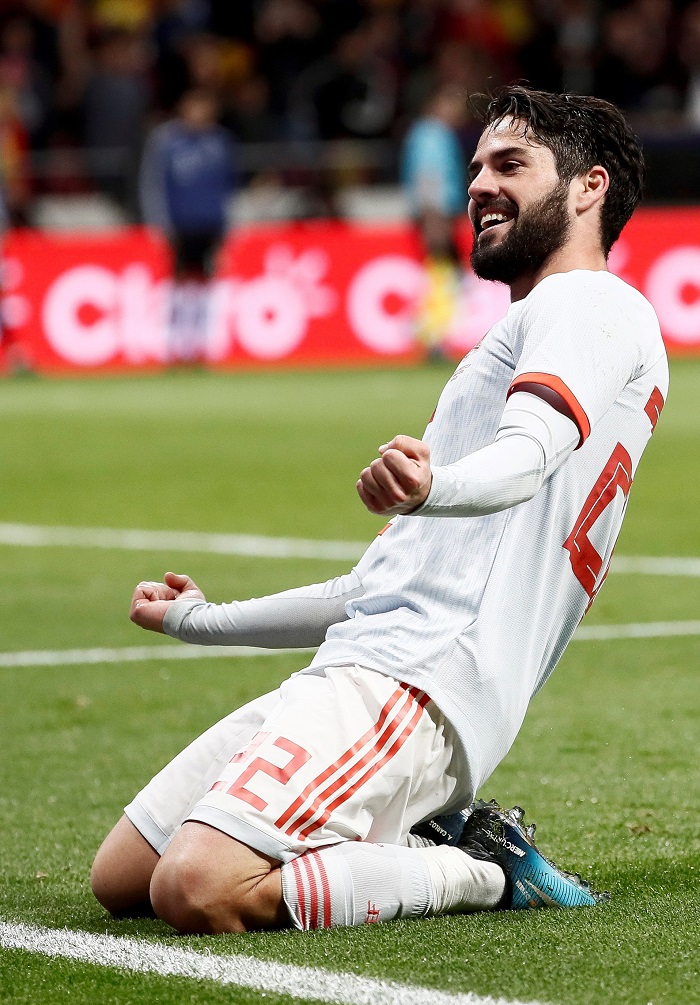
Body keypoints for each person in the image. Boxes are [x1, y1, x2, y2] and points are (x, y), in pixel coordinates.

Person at [91, 86, 668, 934]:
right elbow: (378, 584)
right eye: (476, 168)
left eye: (511, 165)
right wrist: (199, 620)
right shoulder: (545, 329)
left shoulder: (588, 303)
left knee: (198, 889)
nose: (479, 184)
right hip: (369, 662)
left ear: (589, 187)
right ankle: (409, 833)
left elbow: (530, 453)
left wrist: (432, 485)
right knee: (124, 877)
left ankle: (479, 869)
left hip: (418, 678)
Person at [139, 86, 237, 364]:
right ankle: (175, 345)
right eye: (194, 105)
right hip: (178, 225)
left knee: (207, 286)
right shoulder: (167, 141)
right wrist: (158, 222)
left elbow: (227, 187)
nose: (200, 112)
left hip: (210, 225)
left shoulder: (220, 141)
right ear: (183, 107)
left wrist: (227, 225)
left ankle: (203, 345)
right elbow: (152, 183)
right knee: (177, 286)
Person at [400, 84, 468, 359]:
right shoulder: (432, 134)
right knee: (442, 271)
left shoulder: (426, 133)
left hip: (437, 213)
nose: (459, 112)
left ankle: (431, 332)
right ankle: (431, 334)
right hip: (436, 214)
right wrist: (433, 219)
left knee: (443, 271)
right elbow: (428, 178)